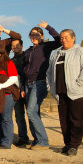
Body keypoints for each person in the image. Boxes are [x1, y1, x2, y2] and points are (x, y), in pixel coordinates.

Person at [47, 29, 83, 156]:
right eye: (61, 38)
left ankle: (74, 145)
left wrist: (79, 83)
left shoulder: (80, 51)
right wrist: (51, 87)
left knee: (77, 120)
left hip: (78, 93)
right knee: (64, 120)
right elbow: (49, 72)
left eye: (66, 37)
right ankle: (67, 144)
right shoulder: (56, 53)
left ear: (73, 38)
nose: (63, 40)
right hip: (60, 92)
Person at [23, 21, 61, 150]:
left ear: (42, 36)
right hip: (28, 84)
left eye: (37, 34)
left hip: (39, 83)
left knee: (31, 111)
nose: (34, 37)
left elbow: (59, 40)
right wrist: (23, 87)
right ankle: (37, 140)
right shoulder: (27, 51)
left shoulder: (45, 47)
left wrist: (48, 27)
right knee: (34, 112)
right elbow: (24, 68)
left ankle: (43, 141)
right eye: (32, 35)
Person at [10, 39, 30, 147]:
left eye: (17, 45)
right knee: (19, 115)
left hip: (27, 88)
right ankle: (23, 137)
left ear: (22, 46)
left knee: (32, 114)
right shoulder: (11, 61)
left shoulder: (27, 58)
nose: (15, 47)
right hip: (16, 90)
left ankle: (37, 139)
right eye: (13, 46)